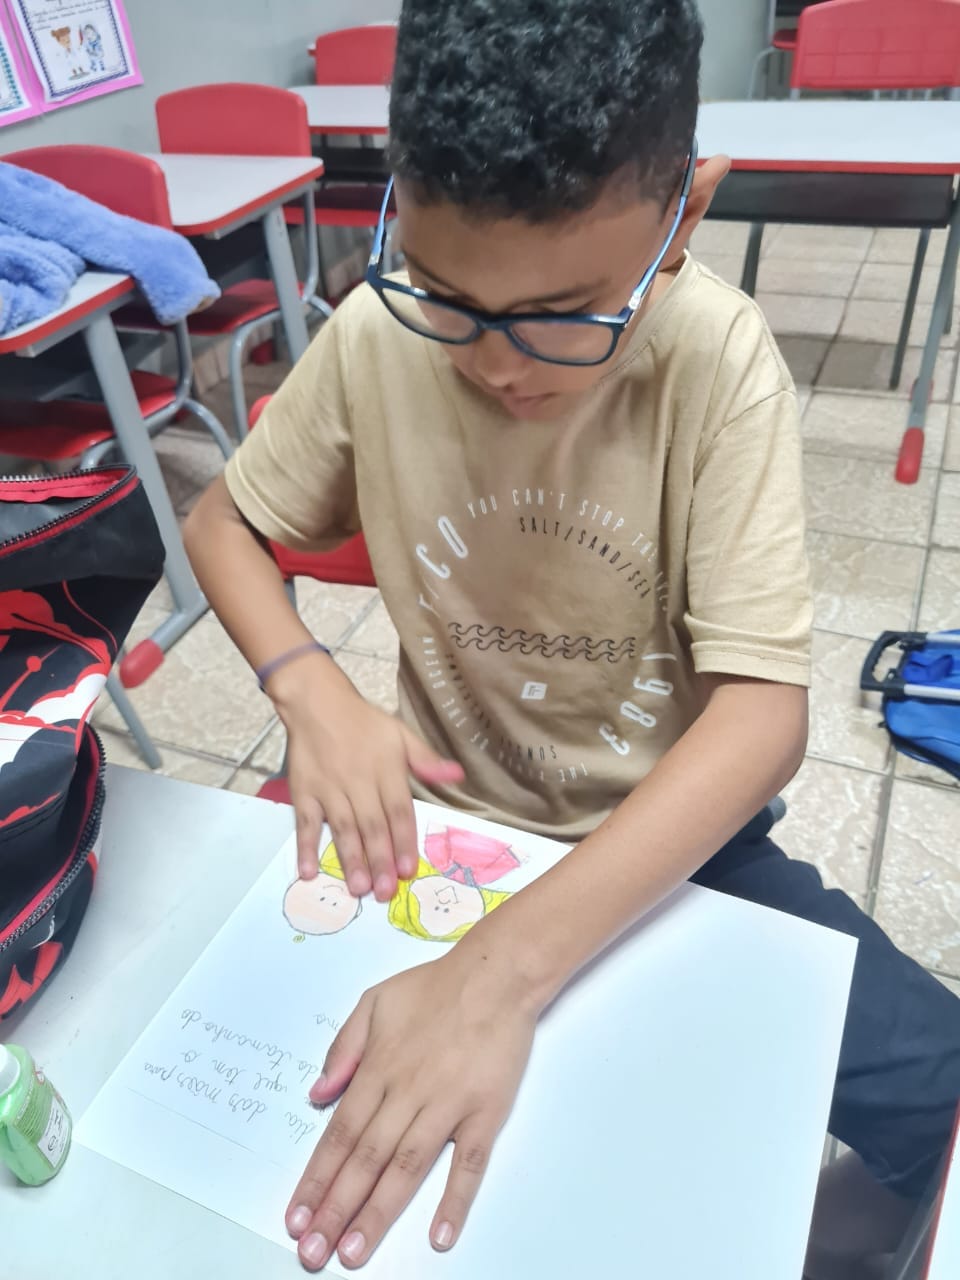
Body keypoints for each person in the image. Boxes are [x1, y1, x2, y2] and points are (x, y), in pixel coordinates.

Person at [184, 2, 960, 1276]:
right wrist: (308, 684)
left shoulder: (718, 360)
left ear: (684, 215)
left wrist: (498, 976)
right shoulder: (378, 332)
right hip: (440, 823)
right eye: (448, 297)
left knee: (939, 1093)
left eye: (564, 313)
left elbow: (764, 714)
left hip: (672, 844)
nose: (498, 365)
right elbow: (222, 523)